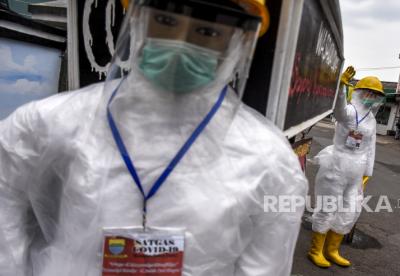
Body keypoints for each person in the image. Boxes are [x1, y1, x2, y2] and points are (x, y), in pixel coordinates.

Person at [0, 0, 307, 275]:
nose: (180, 45)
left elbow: (265, 265)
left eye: (207, 32)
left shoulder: (269, 161)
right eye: (167, 22)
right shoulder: (47, 123)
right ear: (137, 20)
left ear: (236, 43)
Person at [308, 67, 385, 268]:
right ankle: (316, 250)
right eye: (368, 93)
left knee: (349, 210)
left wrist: (367, 173)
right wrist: (341, 86)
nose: (371, 97)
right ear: (359, 92)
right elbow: (338, 110)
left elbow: (370, 148)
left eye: (375, 95)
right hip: (336, 166)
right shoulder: (349, 111)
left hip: (356, 171)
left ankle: (332, 250)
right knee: (328, 207)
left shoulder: (372, 120)